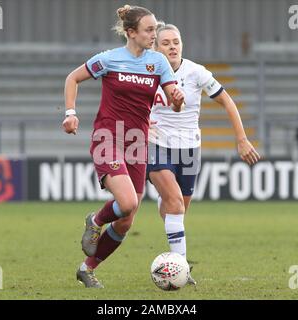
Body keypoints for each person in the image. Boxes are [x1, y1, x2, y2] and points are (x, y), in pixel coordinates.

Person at [62, 5, 185, 288]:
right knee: (127, 202)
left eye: (155, 29)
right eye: (149, 30)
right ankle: (94, 220)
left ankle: (86, 269)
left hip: (138, 143)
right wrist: (70, 112)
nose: (154, 35)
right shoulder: (109, 59)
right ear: (131, 33)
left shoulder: (159, 63)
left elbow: (175, 103)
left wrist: (177, 99)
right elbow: (73, 78)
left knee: (127, 220)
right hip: (108, 137)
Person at [147, 23, 260, 285]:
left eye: (176, 41)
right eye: (166, 43)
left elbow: (226, 101)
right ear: (155, 47)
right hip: (156, 145)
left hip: (189, 148)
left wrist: (241, 139)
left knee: (176, 210)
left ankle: (164, 206)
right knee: (175, 203)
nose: (172, 46)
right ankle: (181, 270)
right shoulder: (147, 72)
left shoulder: (196, 72)